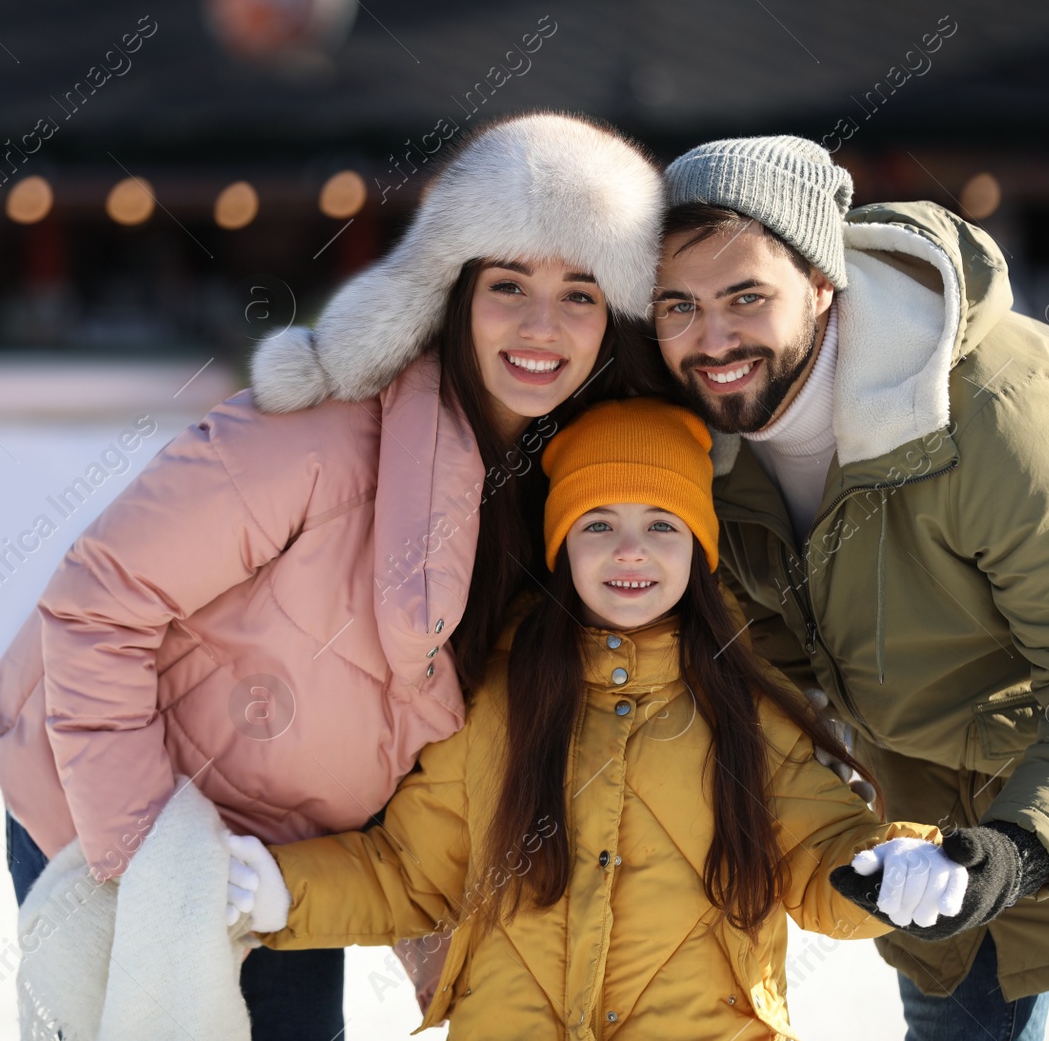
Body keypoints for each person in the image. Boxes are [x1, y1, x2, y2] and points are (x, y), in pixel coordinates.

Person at [0, 110, 672, 1038]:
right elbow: (99, 603)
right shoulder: (323, 432)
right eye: (509, 283)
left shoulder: (564, 498)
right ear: (451, 291)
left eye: (581, 293)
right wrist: (152, 866)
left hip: (289, 856)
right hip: (105, 798)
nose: (543, 324)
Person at [651, 134, 1049, 1039]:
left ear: (824, 283)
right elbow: (775, 673)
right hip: (934, 783)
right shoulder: (711, 447)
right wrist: (829, 823)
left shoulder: (993, 417)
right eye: (679, 306)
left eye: (747, 297)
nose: (712, 340)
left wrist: (1015, 851)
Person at [224, 397, 986, 1040]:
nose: (631, 550)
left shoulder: (749, 714)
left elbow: (821, 859)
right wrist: (281, 890)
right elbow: (410, 874)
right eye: (598, 524)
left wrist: (892, 868)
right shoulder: (495, 699)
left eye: (662, 523)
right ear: (561, 542)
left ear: (697, 544)